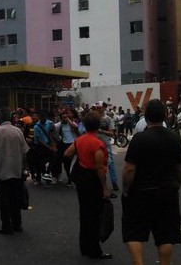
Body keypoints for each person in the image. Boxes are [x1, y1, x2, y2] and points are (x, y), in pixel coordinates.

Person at [122, 99, 181, 265]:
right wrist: (176, 185)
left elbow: (129, 169)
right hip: (168, 191)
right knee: (166, 235)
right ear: (165, 116)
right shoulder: (174, 138)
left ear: (146, 116)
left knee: (134, 231)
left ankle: (139, 263)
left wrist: (126, 189)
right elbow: (180, 167)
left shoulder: (139, 139)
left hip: (141, 192)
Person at [64, 111, 112, 259]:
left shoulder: (80, 140)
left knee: (84, 212)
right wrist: (105, 187)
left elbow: (67, 153)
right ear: (98, 126)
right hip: (93, 180)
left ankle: (84, 246)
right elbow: (99, 168)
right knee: (94, 215)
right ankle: (94, 250)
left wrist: (81, 157)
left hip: (81, 179)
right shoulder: (98, 143)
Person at [0, 107, 30, 235]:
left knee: (4, 200)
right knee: (16, 198)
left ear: (0, 118)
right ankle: (17, 224)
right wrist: (24, 169)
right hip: (16, 171)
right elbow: (24, 153)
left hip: (3, 171)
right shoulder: (18, 131)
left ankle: (6, 226)